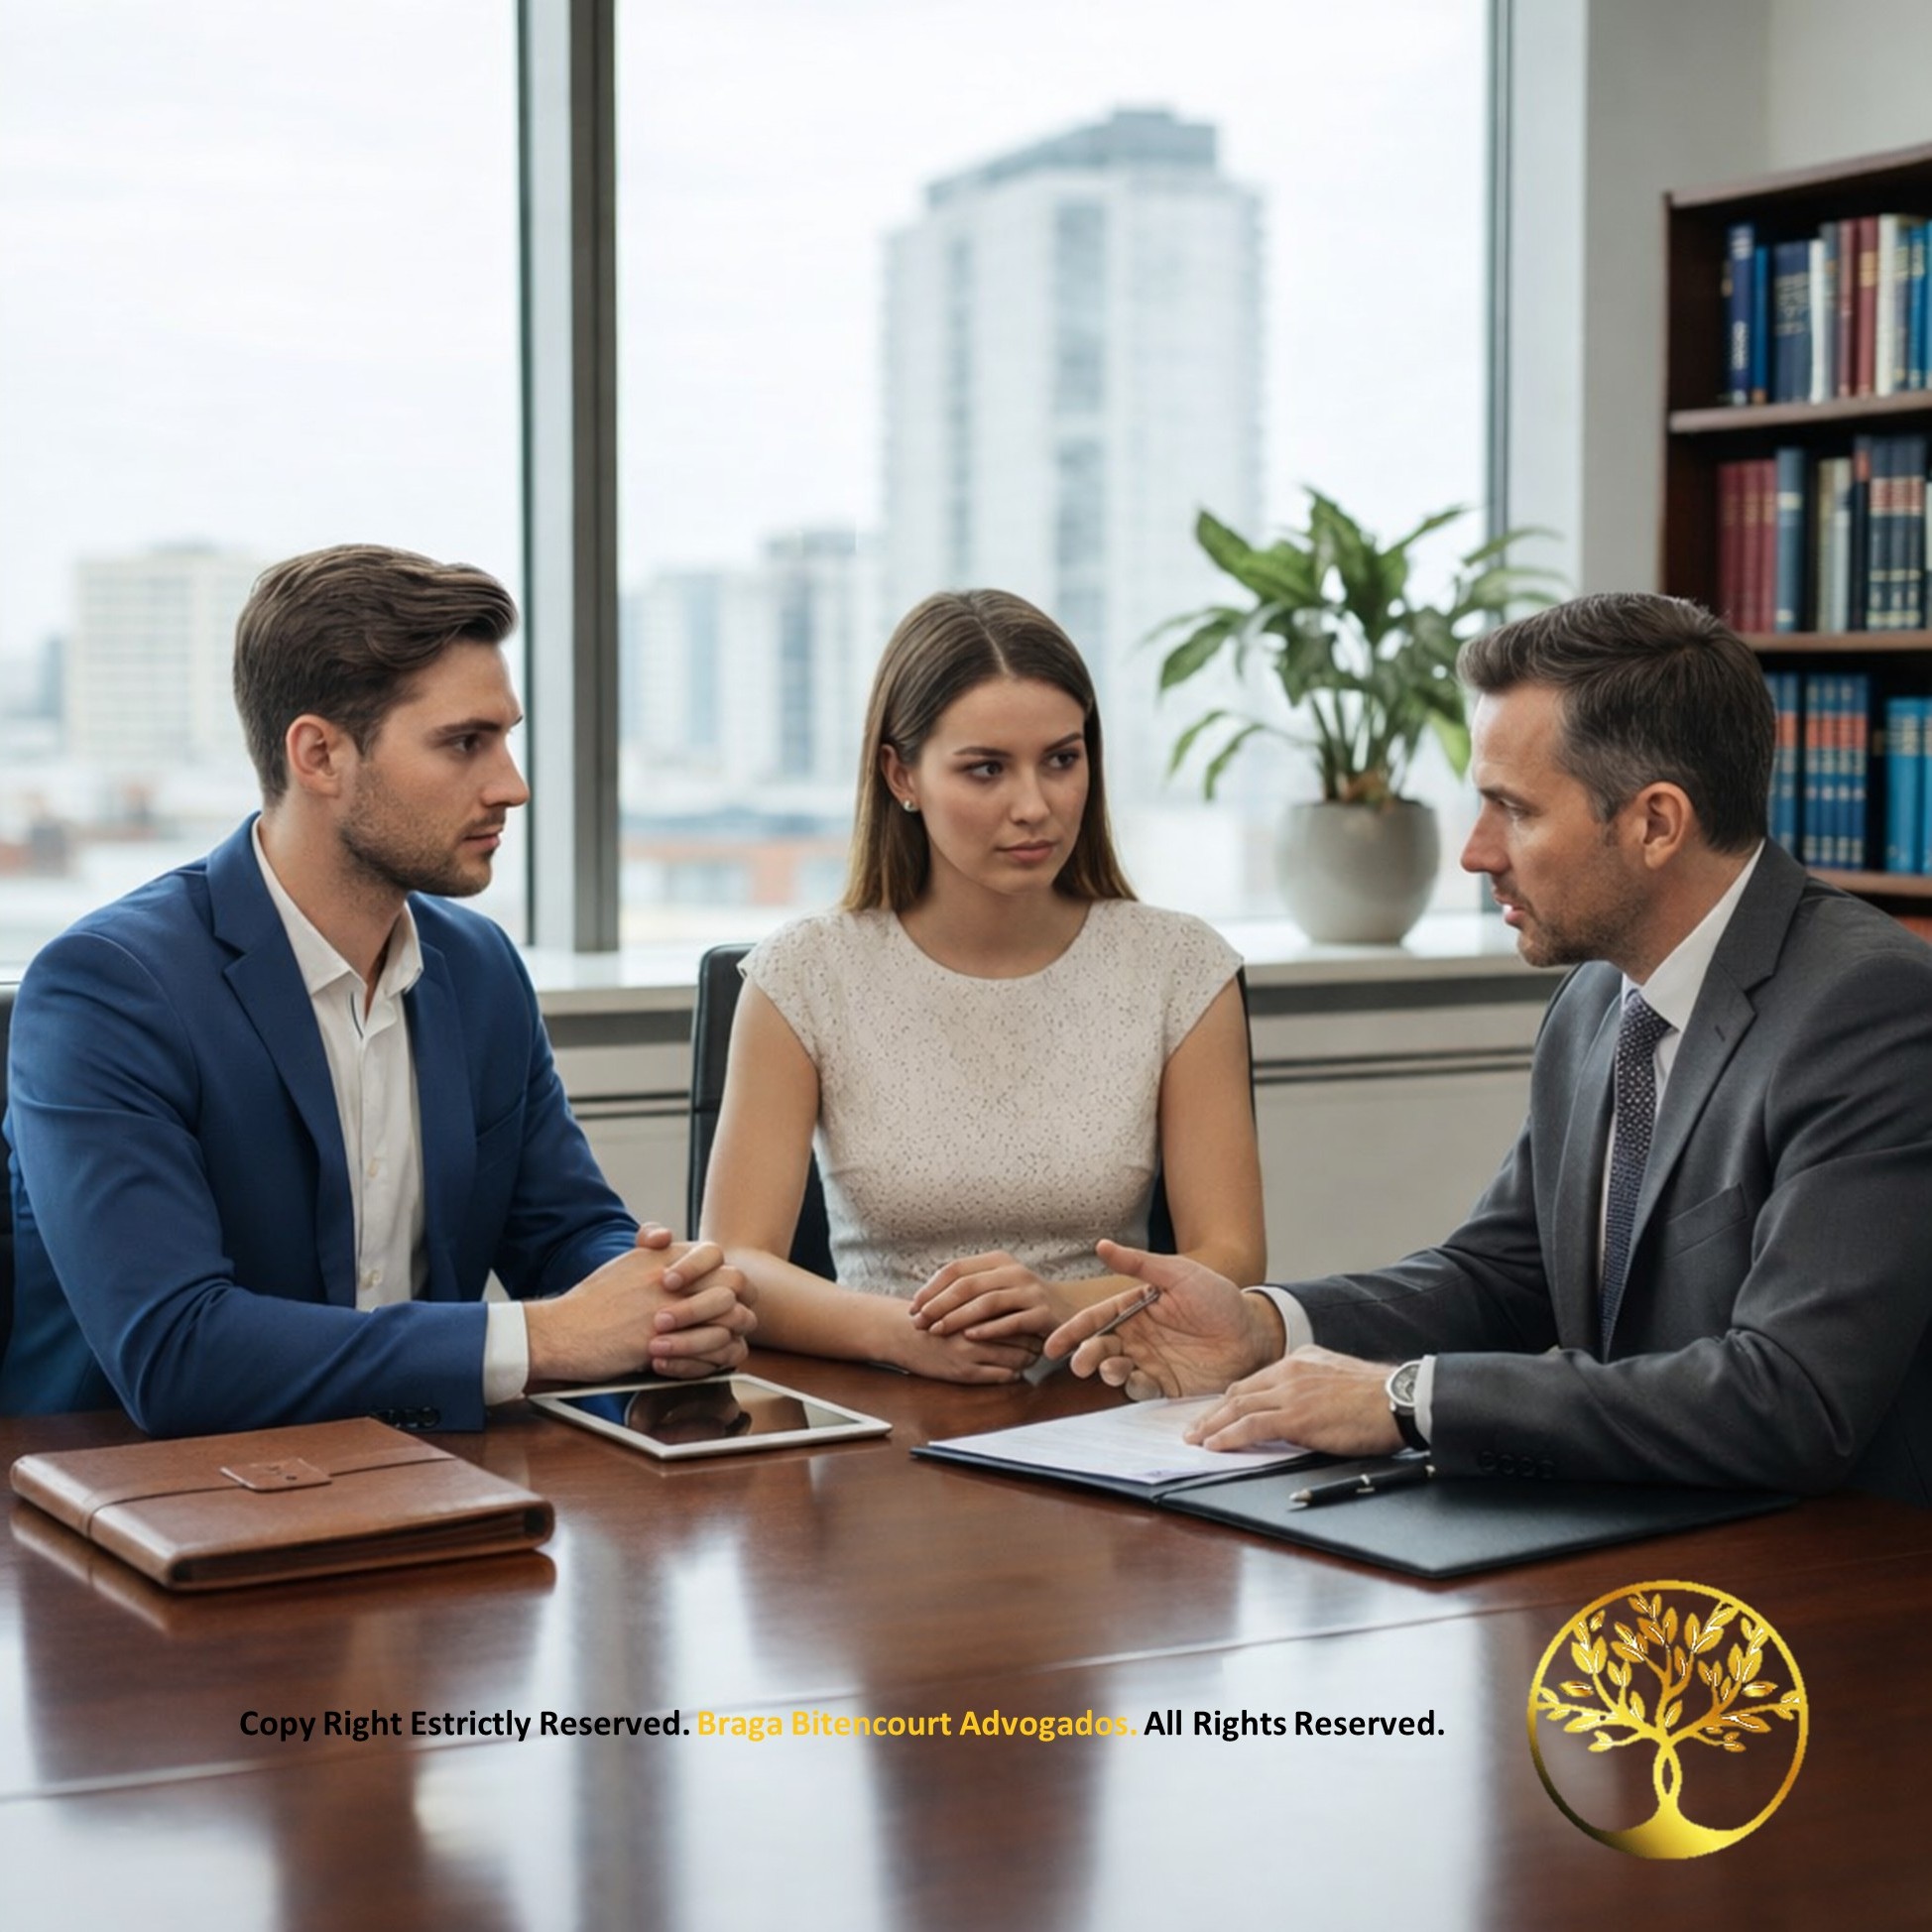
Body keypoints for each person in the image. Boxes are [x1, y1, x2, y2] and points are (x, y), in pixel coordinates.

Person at [1047, 591, 1932, 1505]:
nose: (1475, 854)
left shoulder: (1868, 1011)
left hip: (1830, 1584)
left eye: (1513, 809)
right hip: (1642, 1538)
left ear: (1656, 824)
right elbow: (1503, 1276)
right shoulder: (1598, 998)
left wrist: (1406, 1398)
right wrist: (1266, 1327)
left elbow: (1791, 1398)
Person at [1, 544, 753, 1436]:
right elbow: (176, 1353)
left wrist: (665, 1302)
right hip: (146, 1513)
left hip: (431, 1486)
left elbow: (566, 1232)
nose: (510, 785)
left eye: (506, 738)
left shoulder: (480, 969)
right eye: (464, 743)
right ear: (320, 754)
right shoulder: (108, 991)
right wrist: (543, 1339)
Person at [701, 589, 1265, 1382]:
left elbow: (1231, 1259)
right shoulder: (804, 974)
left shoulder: (1179, 965)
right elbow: (736, 1262)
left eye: (1061, 760)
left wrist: (1057, 1305)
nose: (1033, 807)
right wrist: (904, 1333)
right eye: (986, 770)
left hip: (1106, 1399)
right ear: (902, 774)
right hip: (883, 1407)